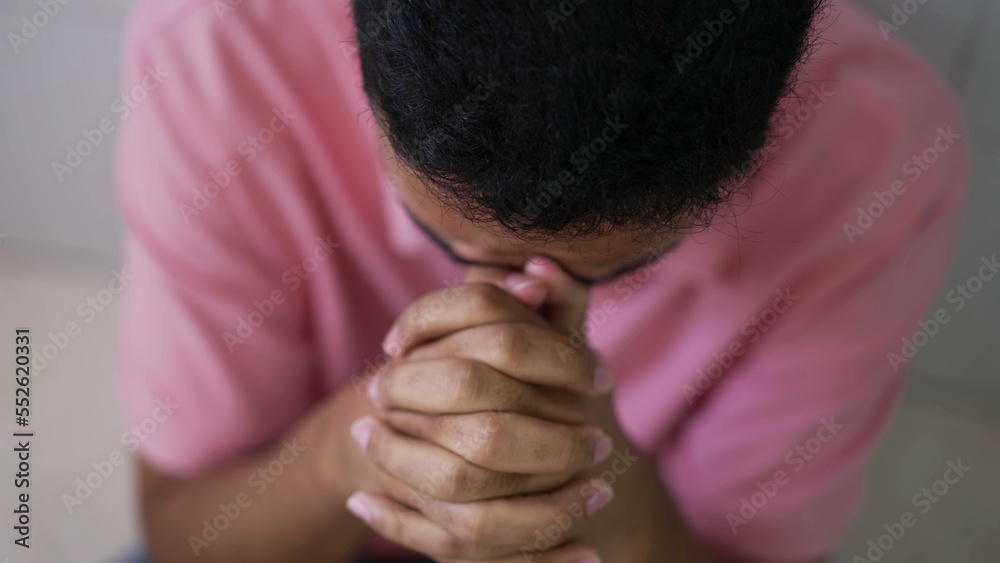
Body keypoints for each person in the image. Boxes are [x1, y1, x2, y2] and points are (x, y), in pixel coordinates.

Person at [115, 0, 967, 561]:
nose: (505, 325)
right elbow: (181, 529)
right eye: (436, 231)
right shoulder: (217, 53)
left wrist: (608, 492)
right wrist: (355, 448)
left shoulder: (880, 164)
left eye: (621, 265)